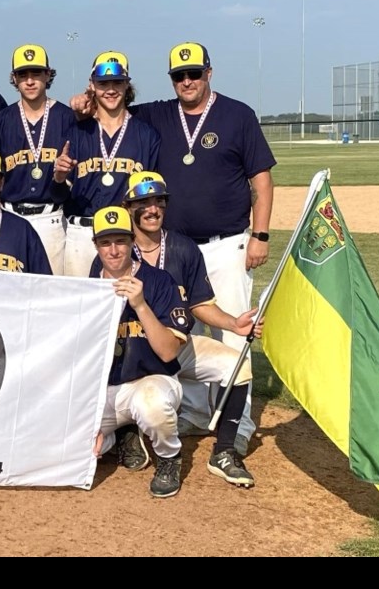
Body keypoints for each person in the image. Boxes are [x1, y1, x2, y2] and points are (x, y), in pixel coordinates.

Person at [71, 42, 273, 455]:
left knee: (233, 332)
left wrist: (261, 234)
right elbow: (113, 110)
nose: (187, 81)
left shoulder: (237, 115)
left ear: (209, 74)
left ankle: (239, 425)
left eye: (194, 74)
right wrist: (82, 102)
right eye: (179, 76)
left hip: (228, 242)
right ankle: (194, 414)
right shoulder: (157, 114)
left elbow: (262, 179)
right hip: (175, 248)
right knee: (185, 332)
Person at [96, 171, 258, 486]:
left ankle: (225, 450)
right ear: (129, 208)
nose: (152, 209)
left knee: (238, 367)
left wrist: (232, 323)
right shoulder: (114, 253)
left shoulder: (183, 248)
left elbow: (199, 303)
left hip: (177, 346)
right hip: (133, 353)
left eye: (159, 201)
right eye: (143, 203)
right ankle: (130, 432)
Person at [88, 206, 193, 498]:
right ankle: (114, 437)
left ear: (133, 241)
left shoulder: (159, 281)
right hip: (106, 392)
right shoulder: (88, 286)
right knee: (75, 446)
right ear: (95, 245)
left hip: (152, 380)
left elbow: (169, 352)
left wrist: (141, 305)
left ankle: (169, 457)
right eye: (105, 242)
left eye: (120, 241)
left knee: (152, 406)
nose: (113, 250)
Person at [55, 51, 158, 278]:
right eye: (103, 83)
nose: (110, 89)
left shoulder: (146, 134)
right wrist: (59, 177)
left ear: (127, 85)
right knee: (79, 306)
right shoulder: (77, 132)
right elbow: (60, 193)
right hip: (82, 232)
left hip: (124, 233)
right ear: (92, 85)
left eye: (117, 82)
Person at [0, 44, 76, 275]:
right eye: (22, 75)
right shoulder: (1, 120)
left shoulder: (67, 118)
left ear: (48, 75)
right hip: (10, 215)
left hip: (51, 218)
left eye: (36, 73)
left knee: (52, 289)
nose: (29, 81)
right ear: (14, 79)